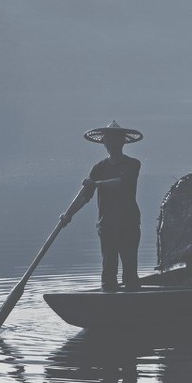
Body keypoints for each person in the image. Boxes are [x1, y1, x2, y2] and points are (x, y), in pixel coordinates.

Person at [60, 120, 144, 291]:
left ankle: (134, 302)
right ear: (104, 143)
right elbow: (85, 197)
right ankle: (109, 301)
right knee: (108, 271)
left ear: (122, 142)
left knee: (129, 270)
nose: (111, 144)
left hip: (128, 224)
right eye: (108, 141)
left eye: (114, 140)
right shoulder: (98, 168)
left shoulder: (133, 164)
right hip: (107, 226)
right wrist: (68, 214)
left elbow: (121, 183)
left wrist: (96, 184)